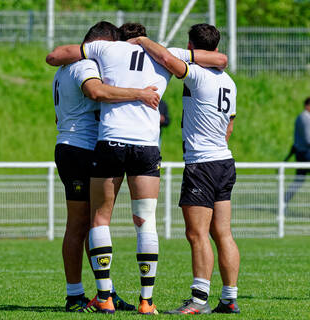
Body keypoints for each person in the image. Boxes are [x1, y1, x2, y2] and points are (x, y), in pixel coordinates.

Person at [46, 21, 228, 315]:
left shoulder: (102, 51)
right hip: (143, 146)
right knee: (145, 221)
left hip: (106, 142)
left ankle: (104, 296)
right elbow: (220, 59)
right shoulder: (166, 54)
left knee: (97, 221)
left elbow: (54, 56)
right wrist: (144, 82)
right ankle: (146, 301)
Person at [128, 23, 240, 314]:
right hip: (224, 160)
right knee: (223, 233)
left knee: (197, 234)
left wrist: (141, 40)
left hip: (202, 164)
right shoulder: (229, 81)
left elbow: (169, 62)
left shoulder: (199, 75)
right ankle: (229, 298)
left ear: (192, 47)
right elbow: (229, 127)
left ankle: (199, 300)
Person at [52, 21, 159, 313]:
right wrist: (139, 94)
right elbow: (98, 93)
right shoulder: (86, 65)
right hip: (80, 148)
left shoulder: (65, 68)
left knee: (88, 223)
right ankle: (75, 295)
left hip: (71, 146)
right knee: (80, 224)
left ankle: (105, 291)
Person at [285, 97, 310, 204]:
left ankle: (284, 201)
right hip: (305, 154)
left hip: (302, 154)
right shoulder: (305, 118)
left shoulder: (303, 117)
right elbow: (308, 139)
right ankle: (284, 201)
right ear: (307, 105)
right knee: (299, 180)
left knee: (298, 180)